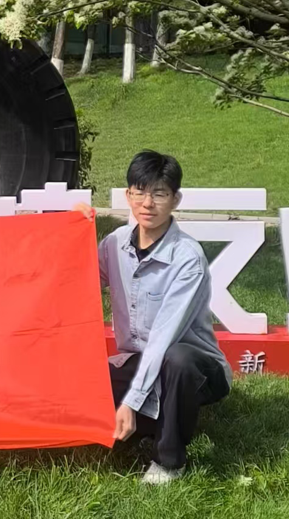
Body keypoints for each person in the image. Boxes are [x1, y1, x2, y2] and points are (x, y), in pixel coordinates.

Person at [75, 150, 231, 484]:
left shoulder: (187, 258)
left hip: (195, 368)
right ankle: (156, 421)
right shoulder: (115, 243)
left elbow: (163, 338)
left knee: (176, 359)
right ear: (128, 195)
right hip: (138, 360)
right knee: (85, 389)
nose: (148, 203)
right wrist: (72, 229)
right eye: (140, 192)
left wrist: (131, 402)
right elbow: (76, 282)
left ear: (175, 199)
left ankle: (168, 459)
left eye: (159, 193)